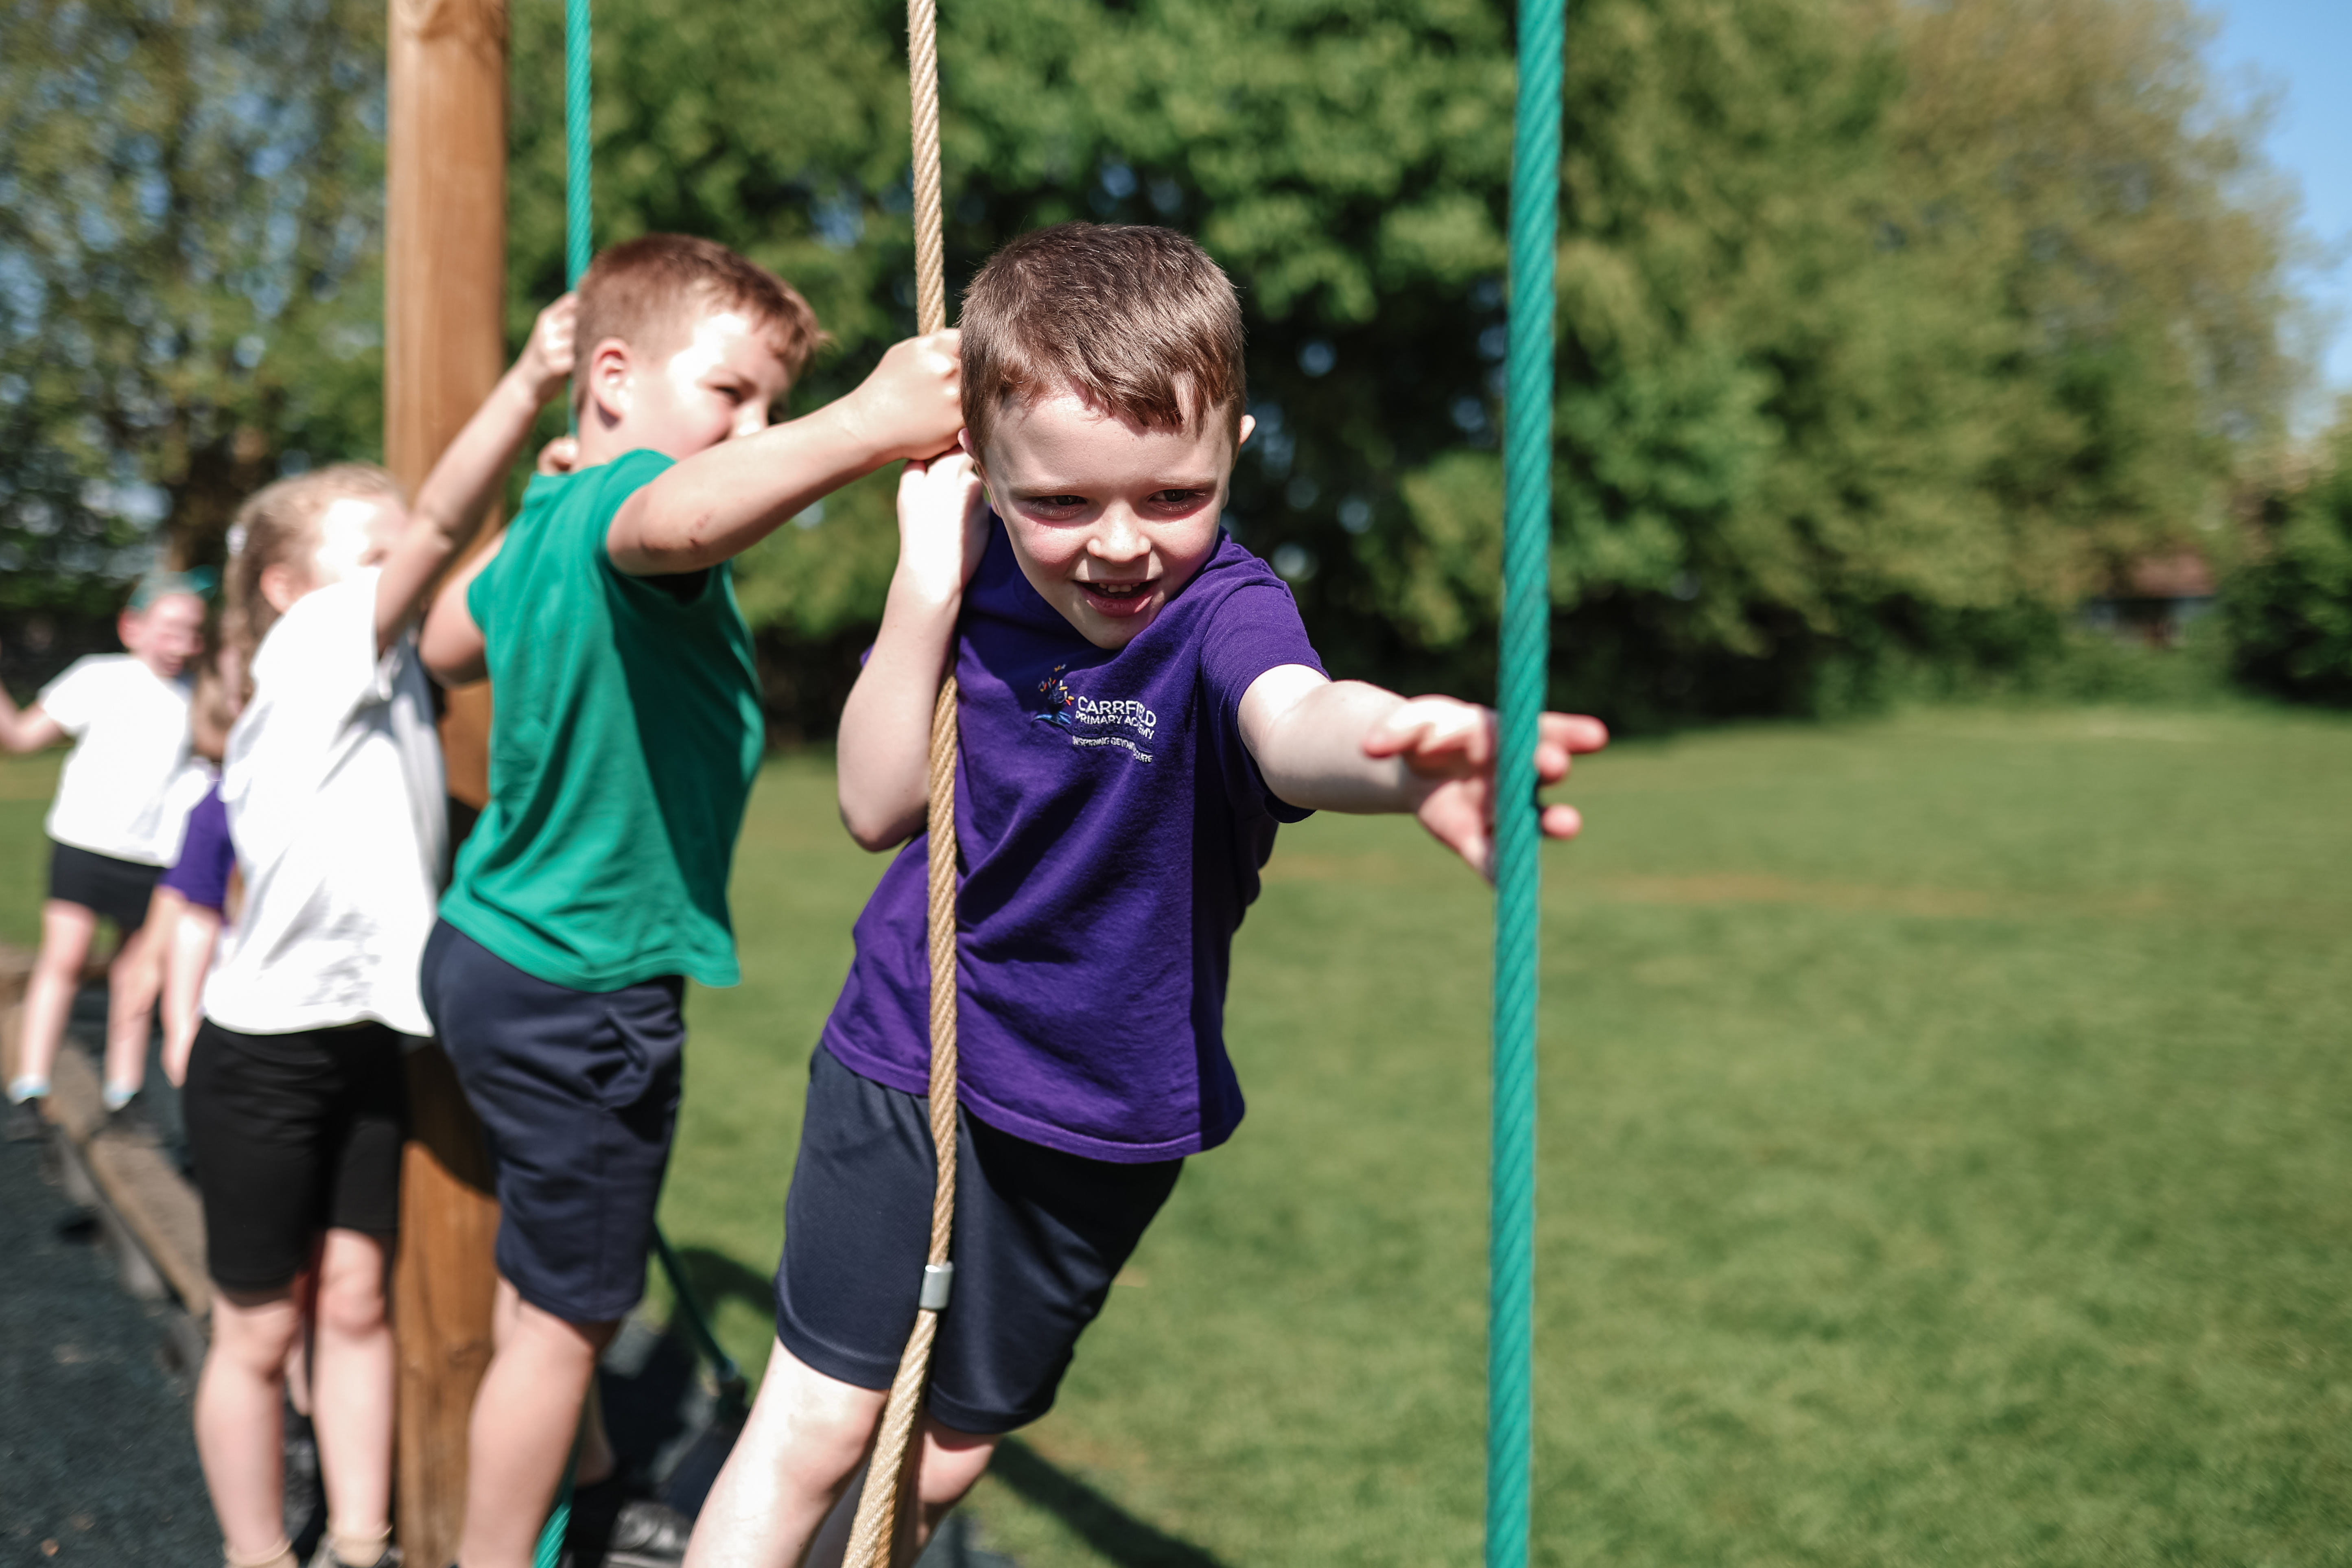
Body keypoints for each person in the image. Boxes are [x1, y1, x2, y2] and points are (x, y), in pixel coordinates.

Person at [681, 222, 1611, 1568]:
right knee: (817, 1422)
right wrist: (925, 582)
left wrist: (1400, 756)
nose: (1120, 547)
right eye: (1060, 503)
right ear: (981, 466)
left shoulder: (1225, 611)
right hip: (909, 1047)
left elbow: (1295, 719)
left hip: (1103, 1114)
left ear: (1234, 447)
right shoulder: (969, 575)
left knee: (942, 1454)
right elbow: (875, 805)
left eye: (1173, 495)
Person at [414, 232, 961, 1568]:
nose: (753, 427)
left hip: (490, 949)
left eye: (774, 404)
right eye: (731, 393)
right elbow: (683, 518)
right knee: (566, 1322)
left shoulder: (554, 515)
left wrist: (553, 498)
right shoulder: (631, 510)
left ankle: (596, 1479)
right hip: (583, 980)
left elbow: (442, 639)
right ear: (612, 376)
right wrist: (867, 422)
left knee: (549, 1266)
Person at [181, 292, 577, 1568]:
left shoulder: (390, 661)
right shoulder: (311, 653)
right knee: (257, 1327)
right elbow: (446, 529)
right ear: (289, 587)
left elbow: (481, 575)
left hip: (367, 1039)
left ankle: (358, 1538)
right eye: (376, 550)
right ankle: (258, 1550)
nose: (402, 562)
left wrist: (553, 495)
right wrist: (526, 382)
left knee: (353, 1297)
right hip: (264, 1052)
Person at [0, 572, 210, 1136]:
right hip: (86, 845)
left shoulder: (200, 695)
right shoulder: (98, 677)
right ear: (132, 627)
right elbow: (20, 737)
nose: (181, 643)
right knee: (64, 960)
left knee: (137, 974)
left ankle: (124, 1091)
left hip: (155, 856)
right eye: (169, 629)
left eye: (193, 632)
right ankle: (30, 1086)